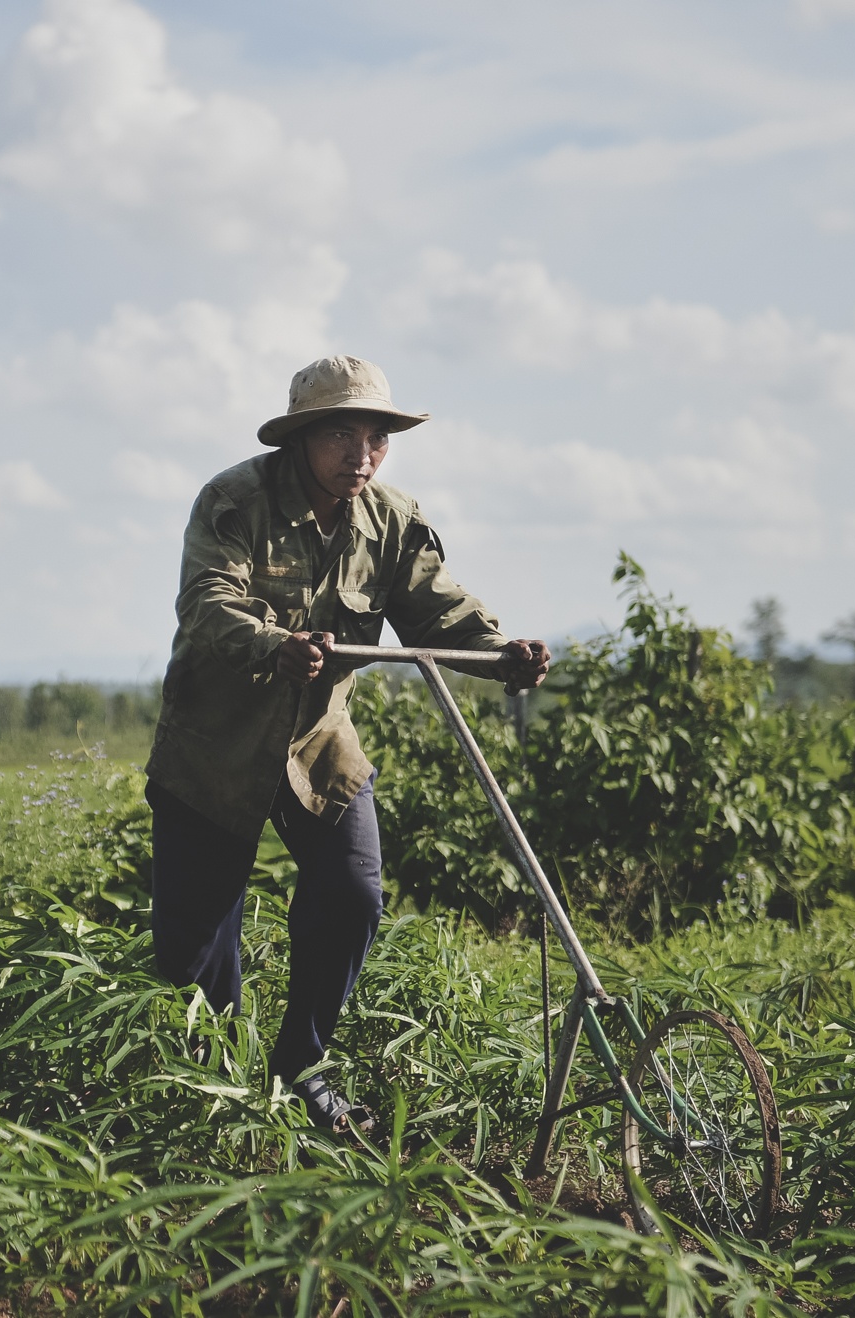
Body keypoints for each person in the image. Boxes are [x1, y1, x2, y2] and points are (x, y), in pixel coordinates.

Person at [144, 354, 551, 1133]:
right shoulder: (234, 500)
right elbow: (207, 602)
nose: (361, 453)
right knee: (197, 955)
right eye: (341, 433)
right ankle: (214, 1103)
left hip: (318, 744)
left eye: (376, 436)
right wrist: (275, 645)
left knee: (353, 893)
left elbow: (437, 610)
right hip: (214, 750)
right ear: (300, 438)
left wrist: (503, 652)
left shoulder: (392, 519)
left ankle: (301, 1065)